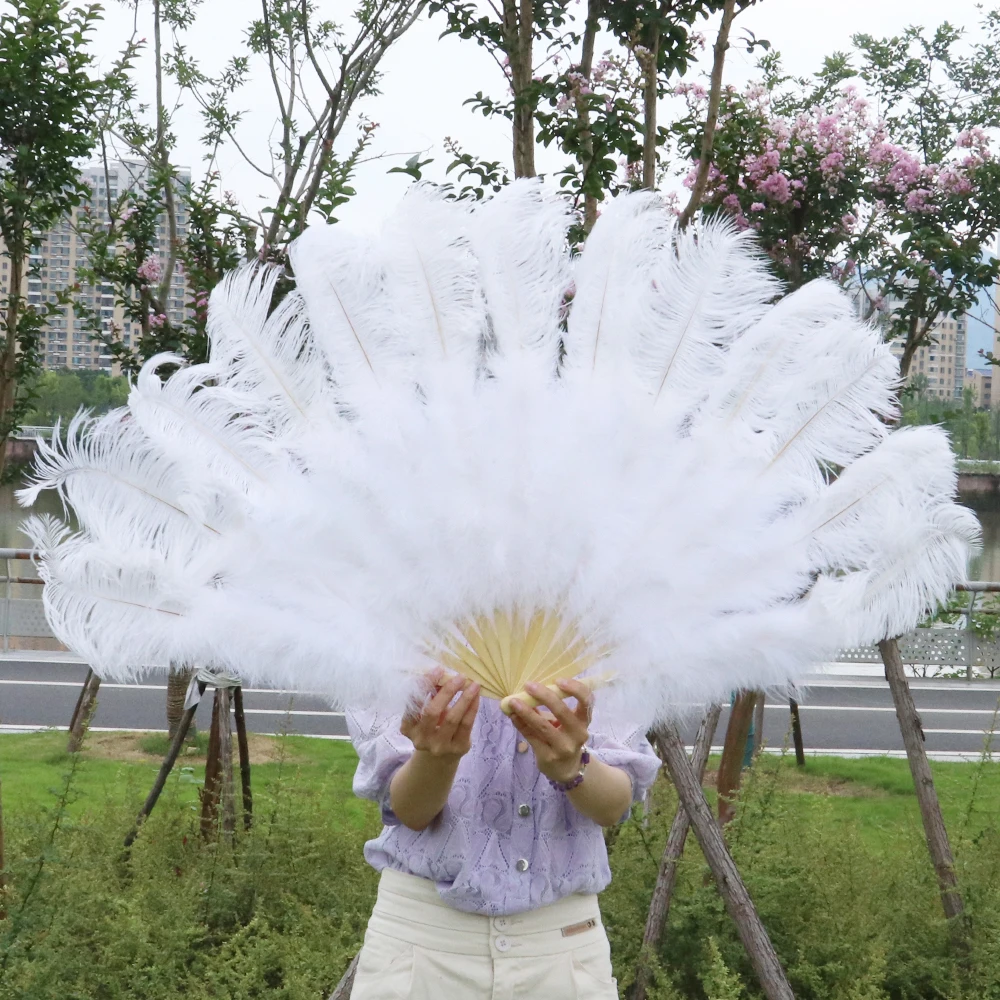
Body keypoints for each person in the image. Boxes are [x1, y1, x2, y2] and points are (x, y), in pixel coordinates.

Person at [346, 670, 661, 1000]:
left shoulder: (603, 647)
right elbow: (411, 812)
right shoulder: (404, 642)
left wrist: (573, 766)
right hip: (421, 942)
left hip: (563, 947)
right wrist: (434, 759)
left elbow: (612, 806)